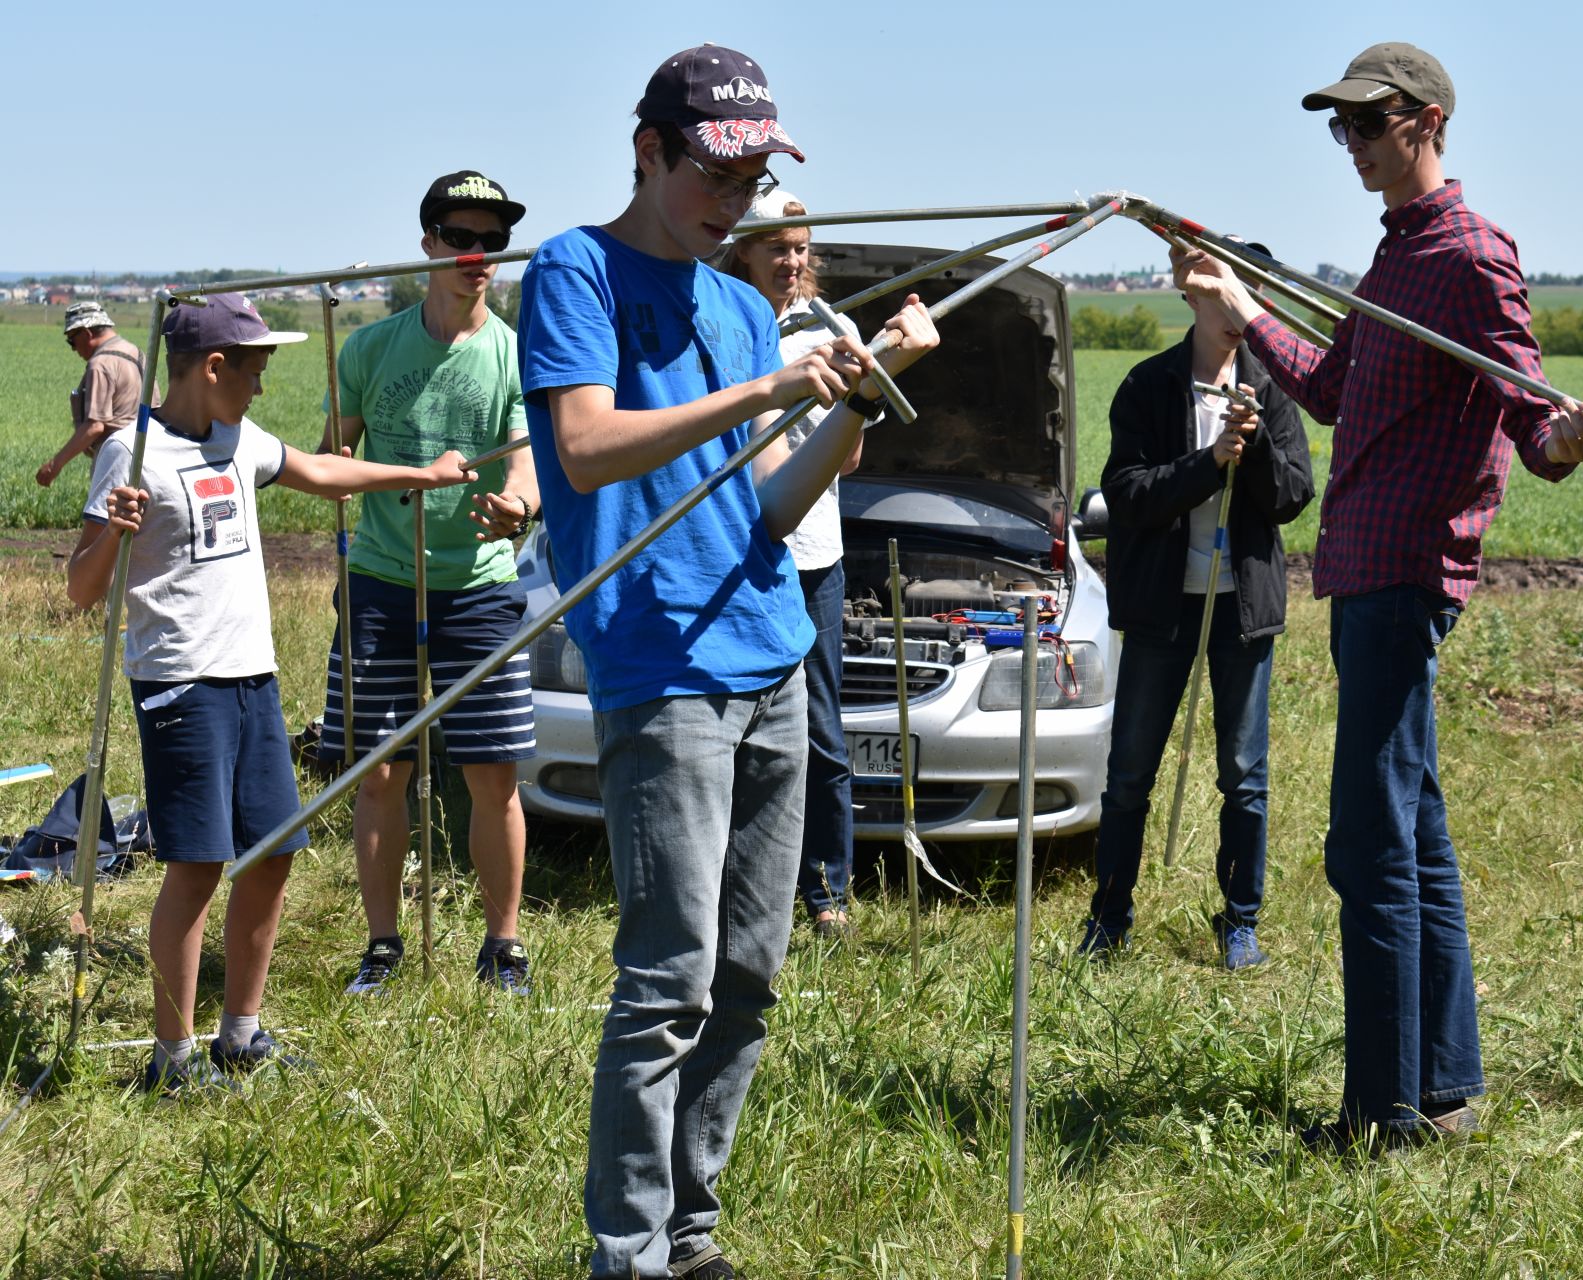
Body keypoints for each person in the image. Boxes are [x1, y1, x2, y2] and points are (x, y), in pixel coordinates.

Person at [515, 45, 939, 1280]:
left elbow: (768, 502)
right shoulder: (575, 271)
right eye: (719, 169)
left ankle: (691, 1232)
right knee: (667, 979)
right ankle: (628, 1253)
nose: (738, 197)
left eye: (757, 174)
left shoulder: (743, 298)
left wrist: (859, 400)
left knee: (749, 972)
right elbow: (587, 449)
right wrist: (765, 388)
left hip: (768, 644)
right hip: (660, 660)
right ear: (648, 150)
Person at [1172, 41, 1583, 1149]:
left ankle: (1385, 1112)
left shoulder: (1467, 254)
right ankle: (1447, 1086)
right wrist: (1243, 307)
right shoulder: (1396, 256)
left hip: (1405, 575)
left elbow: (1531, 418)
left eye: (1365, 125)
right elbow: (1331, 390)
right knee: (1412, 832)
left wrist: (1565, 436)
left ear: (1423, 121)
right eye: (1341, 129)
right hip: (1367, 572)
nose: (1351, 146)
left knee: (1366, 845)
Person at [66, 293, 474, 1094]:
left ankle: (240, 1035)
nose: (260, 387)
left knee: (276, 855)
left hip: (254, 678)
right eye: (253, 371)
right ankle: (172, 1059)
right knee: (197, 865)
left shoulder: (238, 436)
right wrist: (113, 529)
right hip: (181, 684)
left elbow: (321, 470)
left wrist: (419, 474)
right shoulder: (132, 452)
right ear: (212, 367)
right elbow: (82, 591)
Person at [317, 170, 542, 996]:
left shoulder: (517, 352)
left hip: (481, 589)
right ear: (428, 247)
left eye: (492, 240)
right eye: (460, 238)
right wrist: (383, 472)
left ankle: (503, 947)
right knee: (379, 771)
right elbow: (330, 461)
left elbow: (527, 462)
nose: (477, 255)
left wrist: (518, 506)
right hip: (381, 583)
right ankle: (382, 947)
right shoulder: (369, 348)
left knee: (492, 774)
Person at [1080, 274, 1314, 969]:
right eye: (1225, 295)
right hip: (1161, 606)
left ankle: (1240, 921)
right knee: (1129, 775)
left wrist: (1258, 447)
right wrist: (1210, 462)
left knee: (1244, 775)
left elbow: (1293, 496)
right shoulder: (1149, 385)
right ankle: (1109, 919)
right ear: (1192, 297)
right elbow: (1126, 494)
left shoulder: (1270, 389)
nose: (1239, 312)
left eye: (1251, 299)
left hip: (1242, 608)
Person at [720, 188, 858, 940]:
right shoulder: (717, 323)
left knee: (822, 733)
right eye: (777, 246)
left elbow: (855, 447)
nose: (792, 260)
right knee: (735, 728)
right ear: (743, 249)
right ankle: (741, 884)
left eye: (800, 247)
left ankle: (828, 891)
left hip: (814, 557)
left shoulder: (832, 328)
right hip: (735, 555)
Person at [39, 301, 144, 487]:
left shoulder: (101, 364)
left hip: (114, 459)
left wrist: (54, 466)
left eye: (71, 340)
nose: (73, 348)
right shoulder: (137, 354)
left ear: (86, 333)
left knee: (98, 516)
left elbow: (95, 426)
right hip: (145, 455)